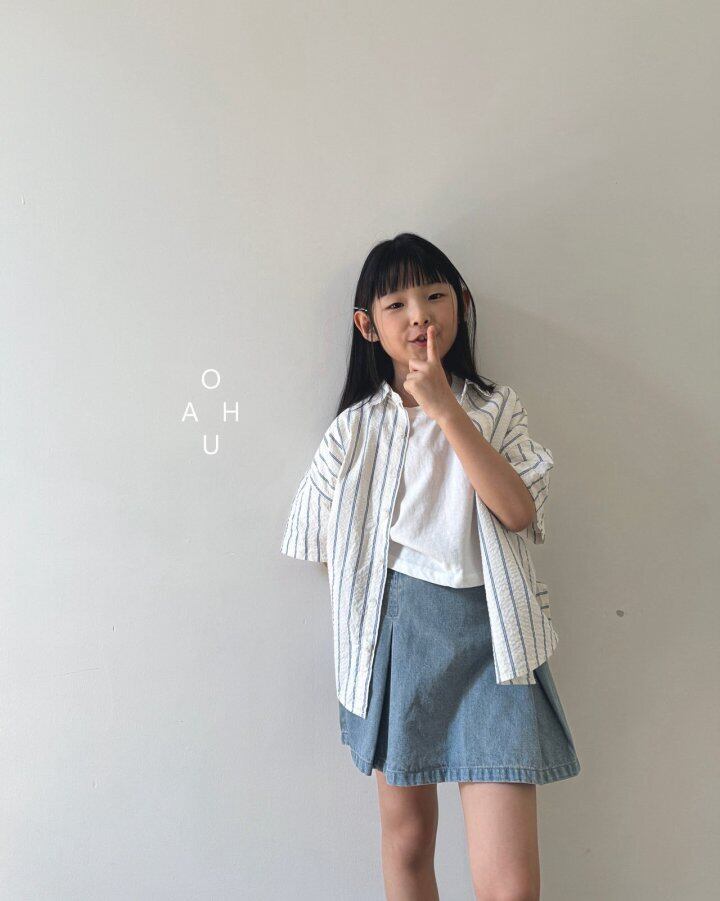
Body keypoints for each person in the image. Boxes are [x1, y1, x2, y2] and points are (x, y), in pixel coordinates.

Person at [280, 232, 580, 899]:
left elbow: (517, 512)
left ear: (460, 304)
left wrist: (445, 407)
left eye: (434, 295)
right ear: (367, 325)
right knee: (409, 841)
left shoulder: (496, 411)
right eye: (397, 304)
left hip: (495, 646)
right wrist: (376, 620)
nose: (420, 315)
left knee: (510, 884)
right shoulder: (354, 430)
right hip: (398, 641)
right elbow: (323, 546)